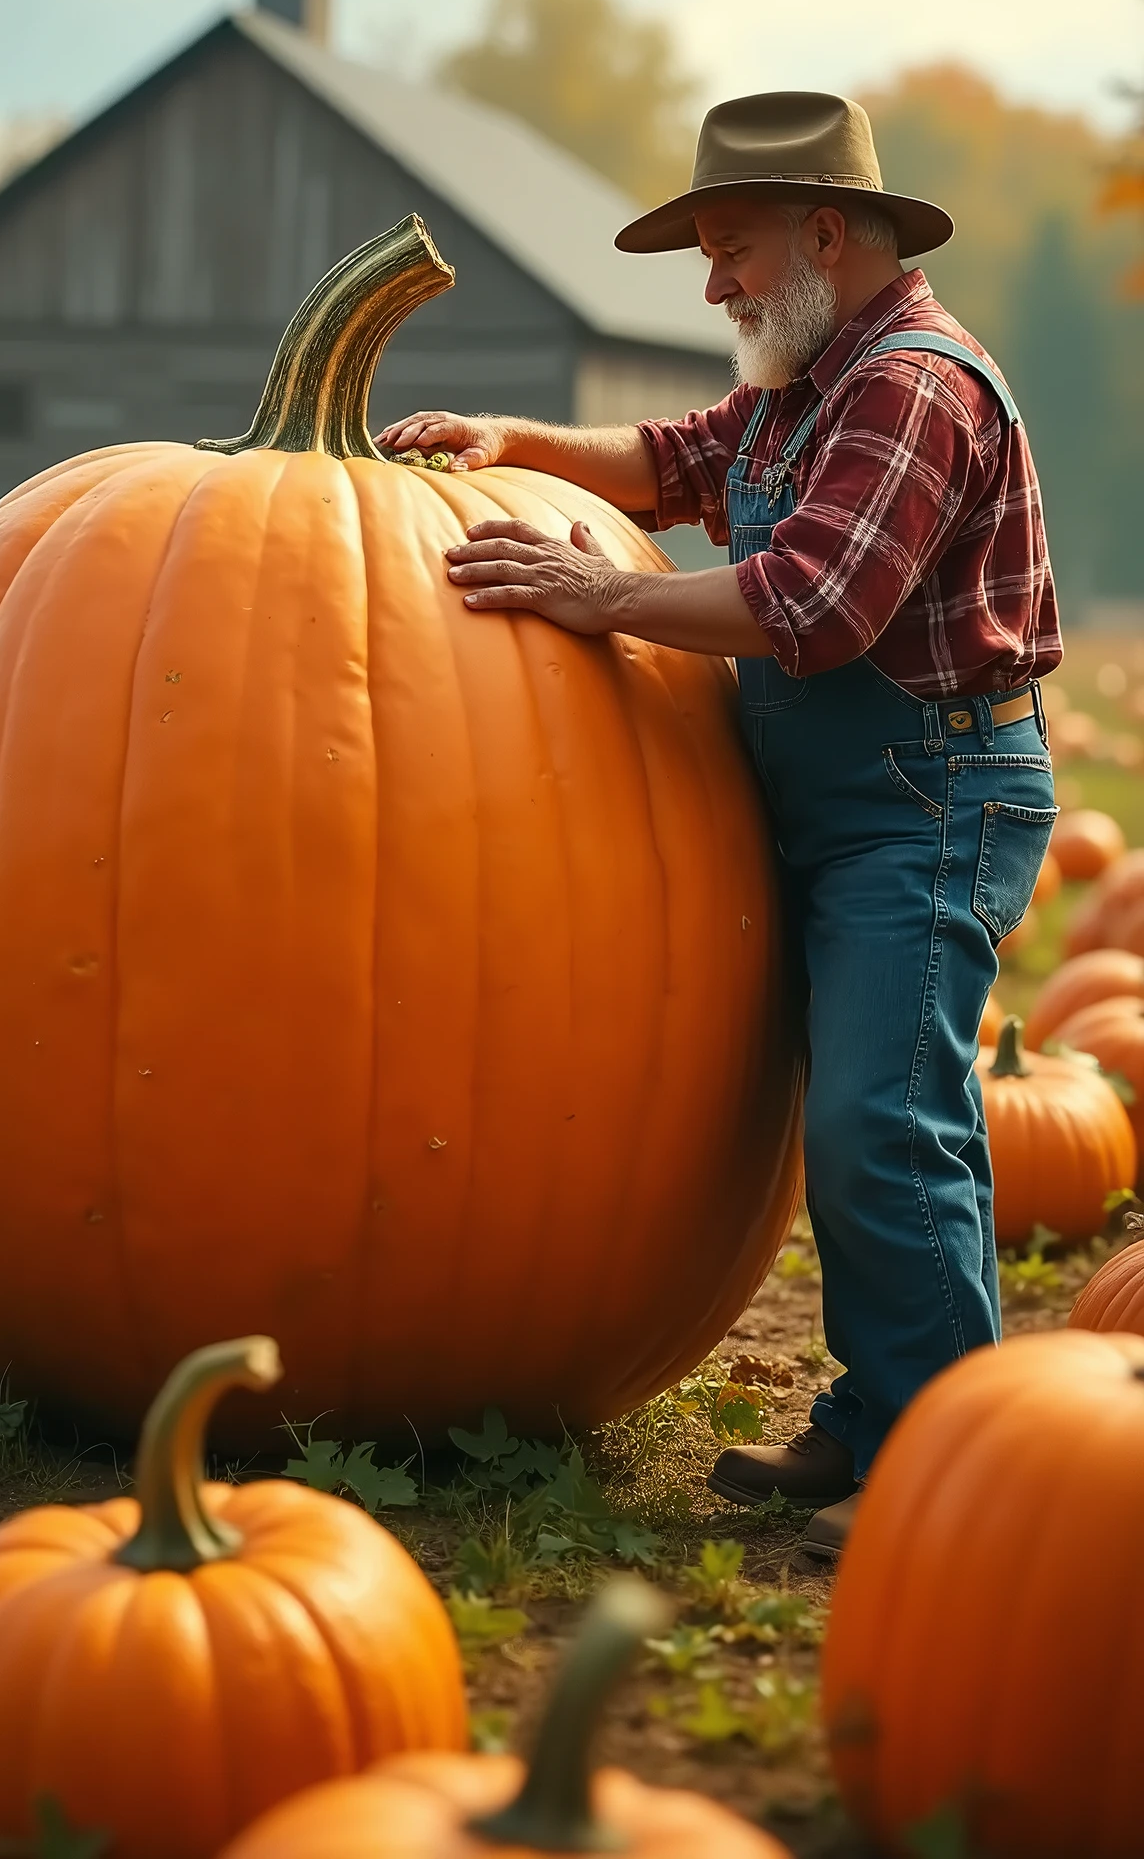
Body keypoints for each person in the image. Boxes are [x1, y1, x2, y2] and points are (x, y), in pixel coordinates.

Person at [378, 89, 1060, 1559]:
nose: (712, 282)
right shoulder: (811, 379)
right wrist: (518, 439)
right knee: (855, 1122)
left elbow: (814, 606)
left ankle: (949, 1469)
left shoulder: (917, 387)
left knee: (887, 1122)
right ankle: (888, 1411)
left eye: (730, 245)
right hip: (832, 799)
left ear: (827, 232)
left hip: (929, 799)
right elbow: (676, 461)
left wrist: (601, 599)